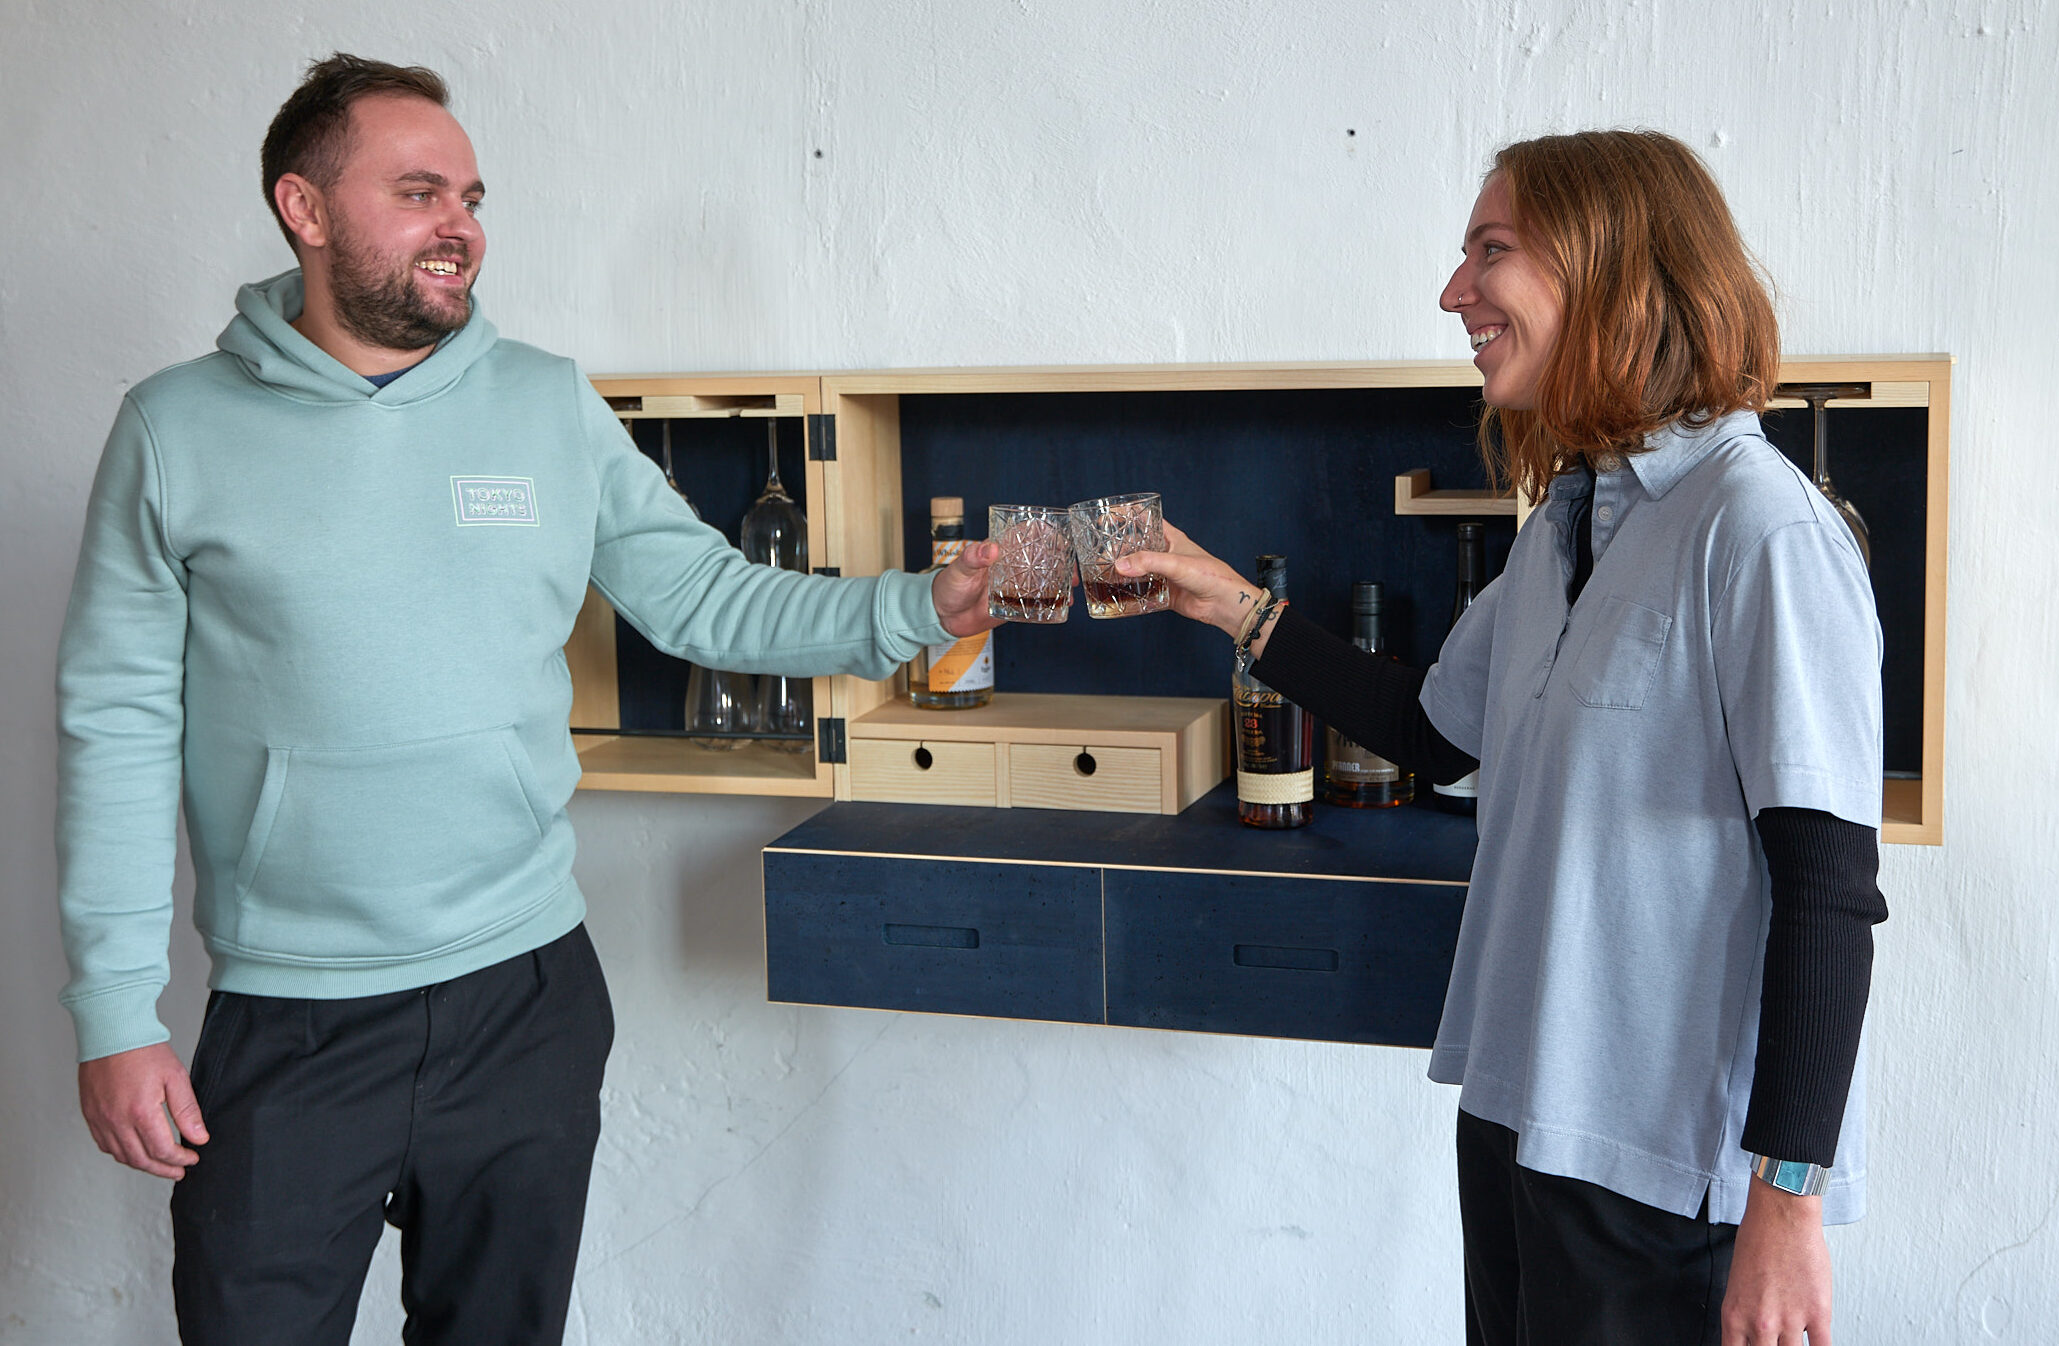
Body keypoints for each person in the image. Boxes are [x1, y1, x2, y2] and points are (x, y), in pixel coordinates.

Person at [55, 53, 996, 1344]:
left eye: (472, 196)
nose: (461, 226)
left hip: (524, 997)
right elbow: (113, 728)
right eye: (418, 191)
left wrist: (921, 606)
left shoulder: (547, 402)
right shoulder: (174, 429)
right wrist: (114, 1015)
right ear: (304, 208)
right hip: (291, 1015)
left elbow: (706, 599)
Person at [1119, 129, 1885, 1346]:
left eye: (1490, 251)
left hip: (1657, 1167)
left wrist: (1786, 1203)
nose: (1452, 292)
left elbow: (1827, 883)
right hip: (1518, 1114)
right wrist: (1228, 603)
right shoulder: (1565, 526)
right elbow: (1428, 728)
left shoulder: (1759, 530)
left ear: (1609, 267)